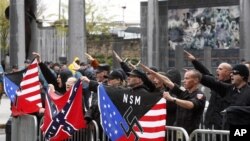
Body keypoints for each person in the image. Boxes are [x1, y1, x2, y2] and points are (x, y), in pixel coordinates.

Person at [142, 64, 206, 134]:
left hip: (190, 134)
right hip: (178, 132)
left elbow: (190, 105)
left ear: (196, 80)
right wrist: (154, 73)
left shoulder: (200, 95)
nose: (184, 81)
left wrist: (172, 99)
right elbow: (168, 81)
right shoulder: (184, 92)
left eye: (187, 78)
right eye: (184, 78)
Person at [185, 50, 232, 129]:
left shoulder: (231, 87)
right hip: (210, 123)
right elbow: (206, 74)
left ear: (228, 72)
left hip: (223, 125)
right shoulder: (215, 84)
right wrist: (194, 61)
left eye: (220, 69)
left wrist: (195, 75)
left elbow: (207, 77)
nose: (217, 70)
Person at [201, 64, 250, 129]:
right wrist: (198, 77)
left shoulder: (248, 92)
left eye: (234, 73)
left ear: (243, 76)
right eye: (231, 73)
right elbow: (213, 83)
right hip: (226, 130)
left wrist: (232, 109)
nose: (231, 75)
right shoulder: (229, 89)